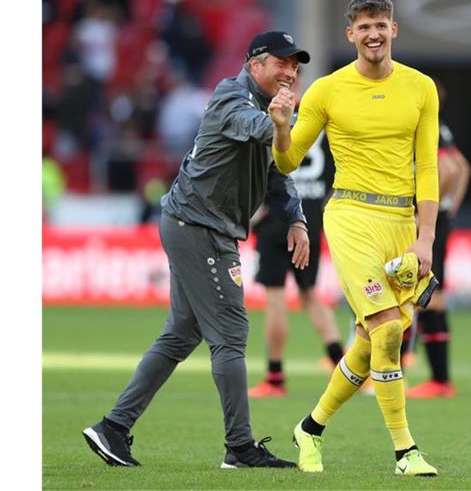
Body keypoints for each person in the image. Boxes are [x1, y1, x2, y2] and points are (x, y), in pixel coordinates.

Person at [82, 31, 312, 470]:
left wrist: (297, 219)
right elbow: (260, 132)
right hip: (201, 227)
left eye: (295, 68)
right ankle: (240, 448)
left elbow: (279, 174)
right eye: (281, 63)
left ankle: (112, 427)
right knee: (230, 335)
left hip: (197, 224)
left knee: (181, 334)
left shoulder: (267, 109)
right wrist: (286, 120)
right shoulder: (232, 96)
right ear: (254, 64)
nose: (289, 73)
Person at [268, 0, 440, 477]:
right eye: (364, 26)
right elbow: (287, 161)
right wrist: (281, 127)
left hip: (402, 221)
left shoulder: (420, 88)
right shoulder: (326, 90)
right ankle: (406, 451)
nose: (373, 34)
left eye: (381, 24)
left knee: (372, 339)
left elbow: (427, 167)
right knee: (389, 328)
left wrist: (425, 238)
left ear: (394, 29)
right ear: (350, 34)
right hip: (349, 216)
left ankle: (311, 428)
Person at [248, 127, 344, 398]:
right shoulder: (324, 127)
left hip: (275, 221)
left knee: (275, 297)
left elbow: (263, 170)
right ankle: (343, 367)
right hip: (309, 222)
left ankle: (275, 377)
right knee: (310, 294)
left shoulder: (274, 120)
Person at [405, 79, 471, 399]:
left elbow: (447, 169)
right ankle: (430, 376)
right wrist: (449, 208)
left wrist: (426, 212)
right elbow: (463, 167)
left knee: (428, 293)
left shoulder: (427, 128)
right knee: (423, 292)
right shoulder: (442, 128)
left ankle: (439, 380)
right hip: (441, 217)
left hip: (428, 219)